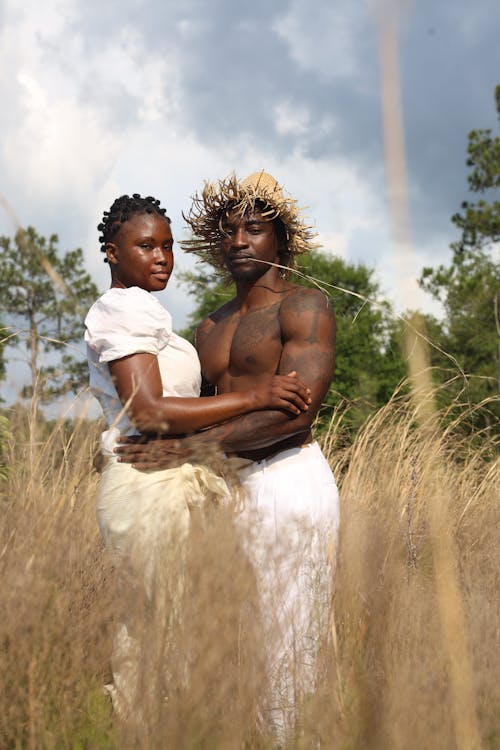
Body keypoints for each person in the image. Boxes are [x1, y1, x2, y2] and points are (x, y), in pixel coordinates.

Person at [115, 174, 340, 738]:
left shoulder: (305, 307)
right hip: (223, 487)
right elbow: (202, 409)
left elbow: (292, 414)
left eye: (254, 229)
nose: (238, 239)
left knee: (290, 647)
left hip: (289, 480)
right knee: (234, 642)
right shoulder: (208, 327)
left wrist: (187, 448)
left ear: (280, 240)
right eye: (229, 229)